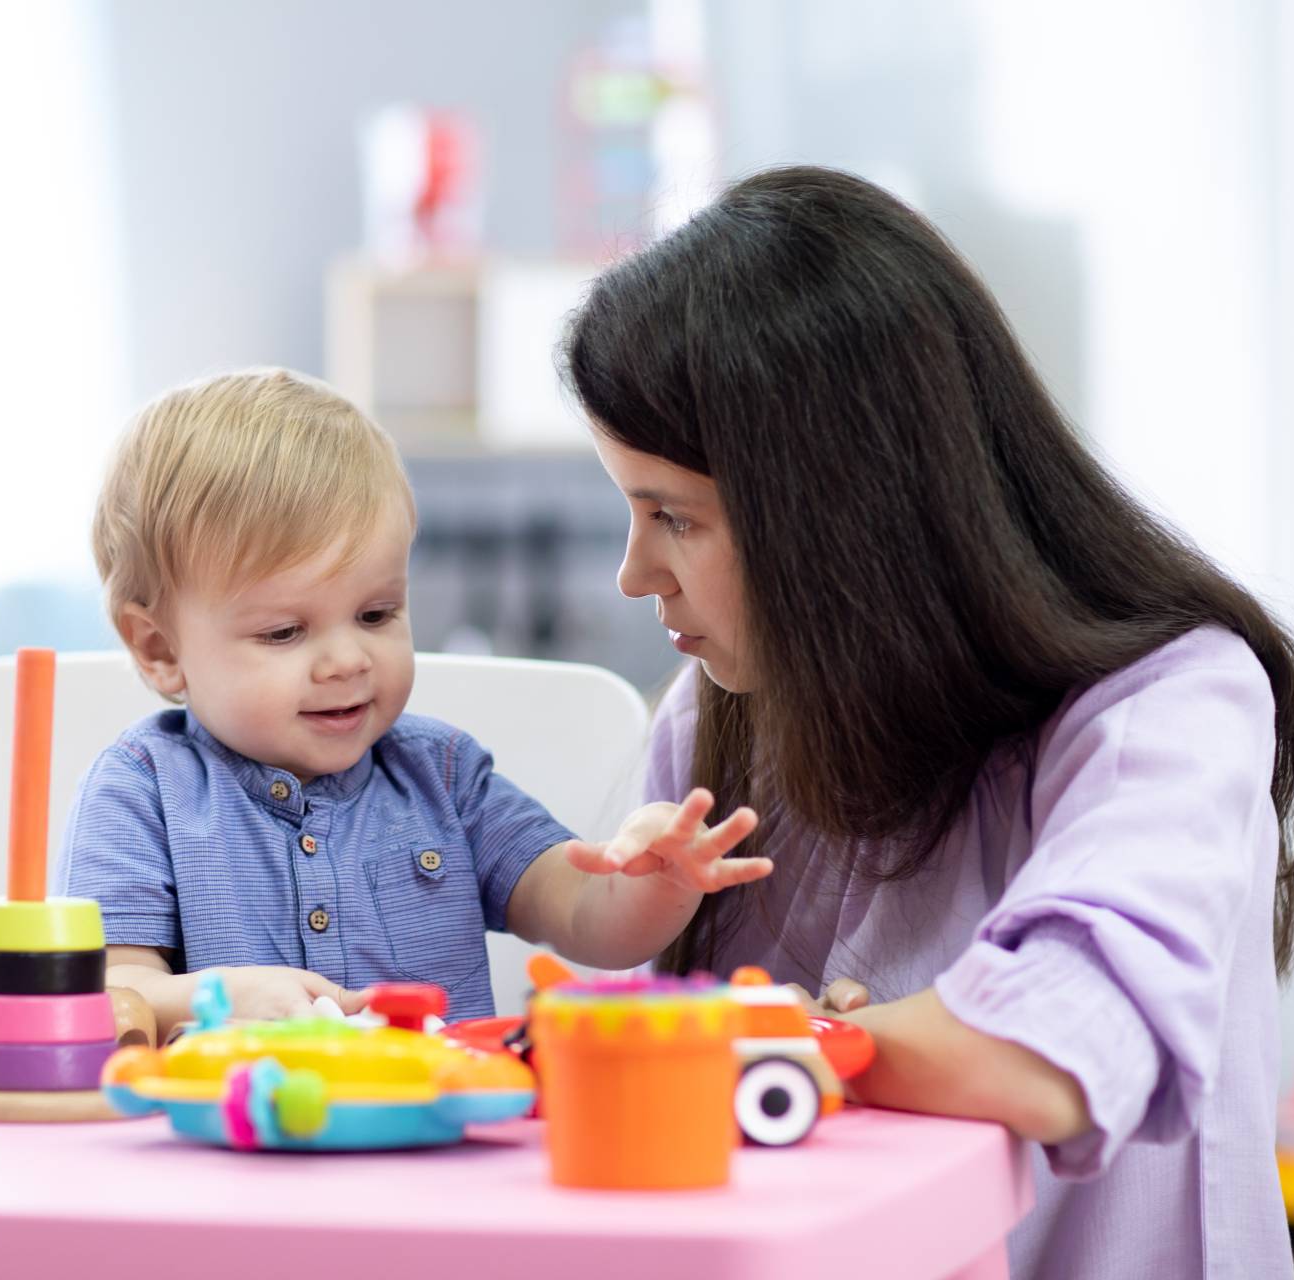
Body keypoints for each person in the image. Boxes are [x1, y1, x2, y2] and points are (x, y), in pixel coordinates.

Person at [561, 165, 1294, 1280]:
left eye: (674, 517)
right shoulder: (717, 716)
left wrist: (782, 1034)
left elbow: (1049, 1053)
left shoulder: (1172, 701)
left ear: (844, 508)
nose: (635, 576)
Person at [62, 368, 767, 1041]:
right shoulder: (140, 791)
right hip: (231, 1148)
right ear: (158, 649)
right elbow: (110, 996)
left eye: (376, 614)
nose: (348, 660)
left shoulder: (445, 775)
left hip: (437, 1141)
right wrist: (218, 999)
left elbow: (587, 917)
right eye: (284, 632)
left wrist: (653, 883)